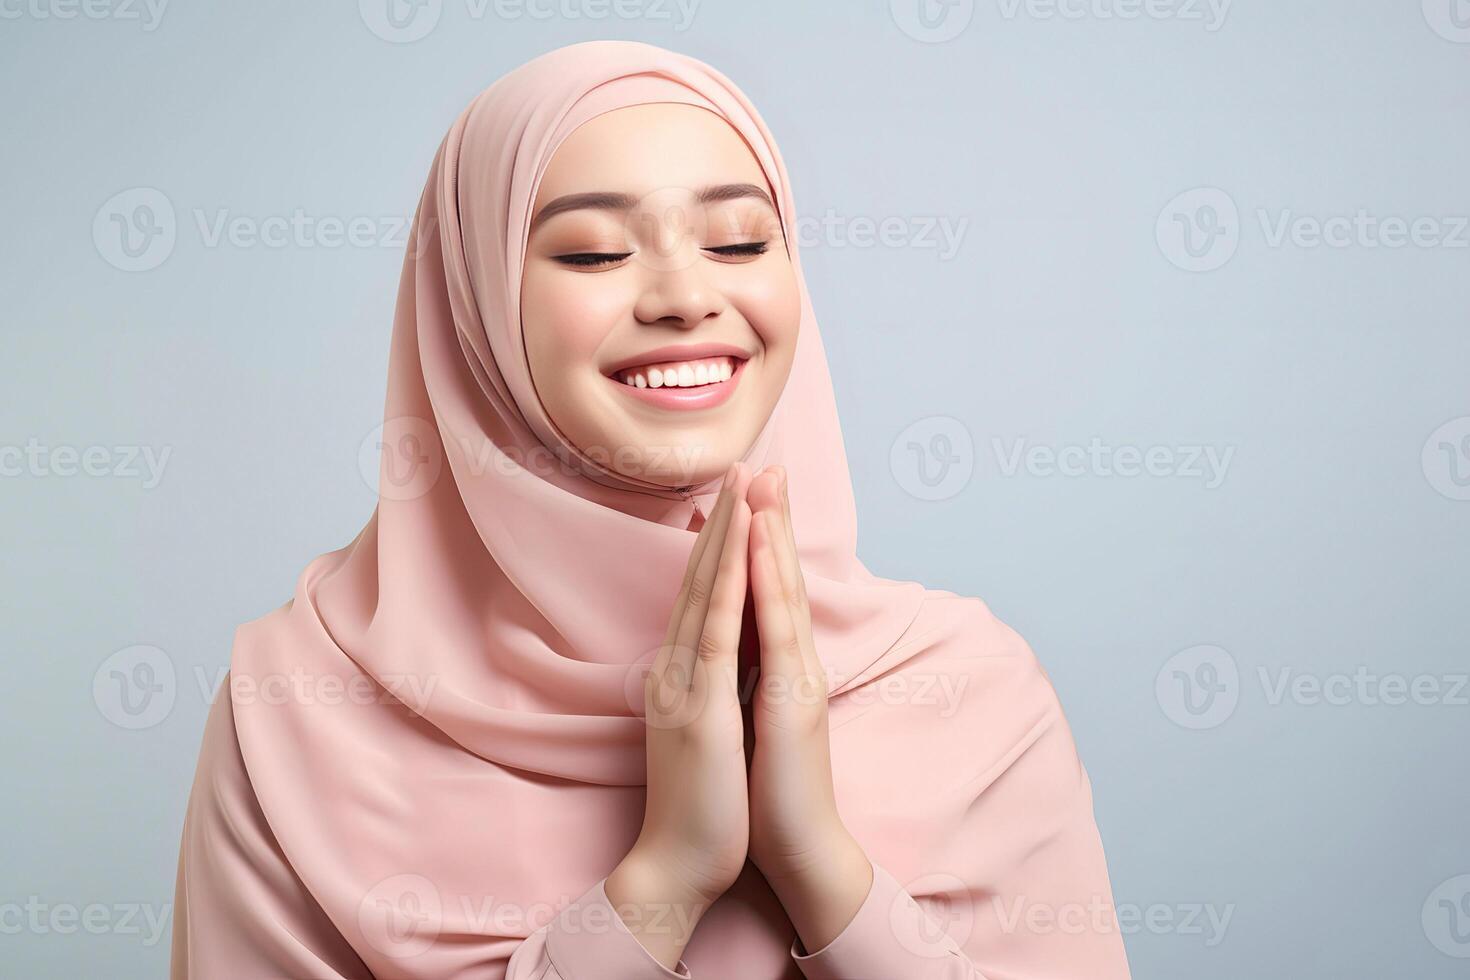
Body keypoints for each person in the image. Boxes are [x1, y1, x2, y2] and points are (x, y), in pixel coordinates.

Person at [170, 39, 1133, 980]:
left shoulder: (974, 695)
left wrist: (823, 873)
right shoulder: (299, 708)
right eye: (592, 254)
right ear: (473, 307)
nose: (685, 296)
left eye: (740, 241)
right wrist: (663, 881)